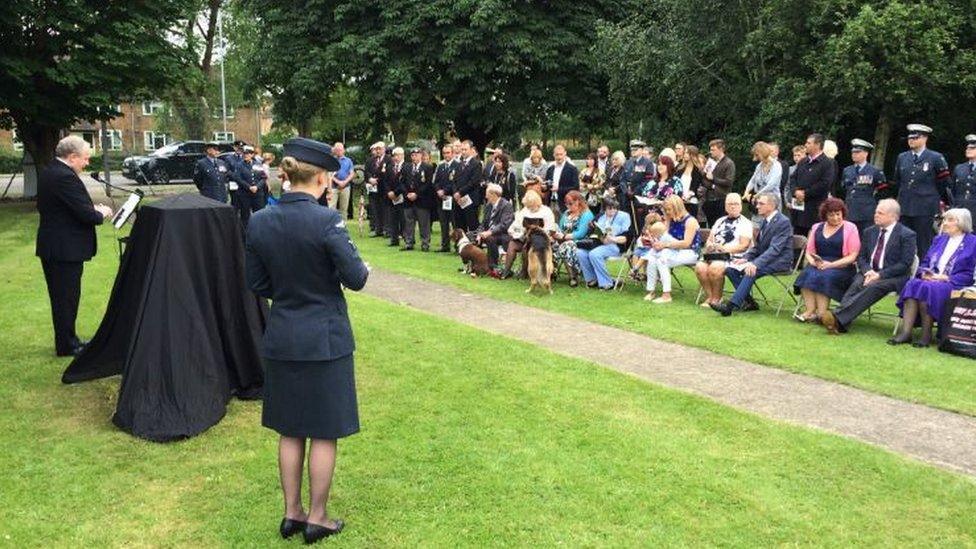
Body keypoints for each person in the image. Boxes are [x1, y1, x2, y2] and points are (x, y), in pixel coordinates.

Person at [245, 137, 368, 544]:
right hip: (325, 339)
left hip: (283, 334)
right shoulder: (326, 220)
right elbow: (357, 278)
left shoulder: (260, 219)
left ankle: (290, 512)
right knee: (324, 430)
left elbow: (257, 282)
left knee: (291, 429)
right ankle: (316, 517)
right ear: (321, 178)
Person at [36, 135, 113, 357]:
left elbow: (68, 206)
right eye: (85, 159)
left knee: (64, 298)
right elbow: (86, 215)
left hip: (56, 246)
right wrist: (101, 212)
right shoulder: (64, 177)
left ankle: (68, 340)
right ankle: (67, 345)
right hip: (63, 249)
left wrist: (90, 209)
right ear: (72, 157)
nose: (87, 163)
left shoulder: (52, 171)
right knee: (65, 298)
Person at [820, 199, 917, 334]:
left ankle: (836, 317)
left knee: (874, 286)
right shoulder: (869, 232)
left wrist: (879, 275)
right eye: (876, 212)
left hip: (894, 276)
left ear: (893, 216)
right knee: (856, 284)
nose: (875, 215)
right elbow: (862, 257)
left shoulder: (907, 235)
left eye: (880, 213)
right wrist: (868, 271)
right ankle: (840, 323)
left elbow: (905, 264)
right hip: (869, 271)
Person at [890, 208, 976, 347]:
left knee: (928, 288)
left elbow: (970, 273)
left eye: (949, 220)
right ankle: (906, 333)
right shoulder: (939, 239)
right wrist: (925, 273)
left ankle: (926, 335)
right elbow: (925, 262)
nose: (945, 223)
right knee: (913, 284)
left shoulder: (973, 243)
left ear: (961, 224)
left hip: (954, 283)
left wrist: (944, 278)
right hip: (932, 280)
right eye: (944, 220)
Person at [710, 192, 793, 316]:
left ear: (771, 206)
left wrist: (755, 263)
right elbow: (758, 247)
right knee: (730, 269)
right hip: (765, 259)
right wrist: (745, 258)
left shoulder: (782, 222)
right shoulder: (765, 221)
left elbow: (775, 249)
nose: (757, 206)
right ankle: (750, 302)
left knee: (750, 271)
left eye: (761, 203)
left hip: (780, 261)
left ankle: (730, 306)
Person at [792, 198, 860, 322]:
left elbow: (852, 256)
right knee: (806, 273)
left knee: (823, 276)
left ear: (842, 213)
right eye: (831, 215)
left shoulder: (851, 228)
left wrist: (831, 265)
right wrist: (812, 261)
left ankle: (822, 314)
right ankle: (810, 311)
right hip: (819, 263)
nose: (835, 218)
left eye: (838, 214)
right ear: (825, 216)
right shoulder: (816, 227)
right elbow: (809, 251)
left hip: (842, 266)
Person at [894, 124, 952, 257]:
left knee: (923, 243)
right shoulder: (902, 157)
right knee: (902, 242)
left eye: (915, 137)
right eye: (910, 138)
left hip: (925, 207)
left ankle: (923, 272)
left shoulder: (936, 157)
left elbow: (944, 183)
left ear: (925, 139)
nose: (911, 140)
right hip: (905, 206)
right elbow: (898, 181)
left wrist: (932, 198)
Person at [695, 193, 753, 307]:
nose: (733, 206)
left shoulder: (746, 223)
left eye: (736, 204)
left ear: (741, 206)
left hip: (735, 257)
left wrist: (724, 249)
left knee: (715, 267)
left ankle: (717, 298)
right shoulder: (719, 220)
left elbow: (744, 246)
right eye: (730, 204)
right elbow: (710, 240)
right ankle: (710, 296)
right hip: (714, 254)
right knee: (700, 267)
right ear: (725, 206)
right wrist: (710, 245)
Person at [642, 195, 701, 303]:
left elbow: (686, 243)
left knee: (662, 259)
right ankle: (651, 291)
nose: (667, 212)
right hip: (673, 249)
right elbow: (666, 235)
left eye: (669, 209)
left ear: (677, 207)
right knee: (652, 258)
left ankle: (666, 295)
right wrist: (657, 243)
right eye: (666, 210)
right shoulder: (671, 218)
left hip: (690, 252)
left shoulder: (690, 221)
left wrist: (664, 245)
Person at [576, 197, 631, 290]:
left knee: (594, 254)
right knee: (580, 253)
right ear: (604, 208)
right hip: (599, 243)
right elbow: (593, 232)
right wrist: (597, 233)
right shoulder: (600, 216)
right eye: (610, 208)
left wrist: (612, 239)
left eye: (615, 208)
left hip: (616, 245)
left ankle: (607, 283)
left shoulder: (624, 216)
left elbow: (627, 237)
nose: (613, 210)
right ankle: (592, 279)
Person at [501, 189, 558, 279]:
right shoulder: (524, 211)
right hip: (524, 237)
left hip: (540, 241)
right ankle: (506, 271)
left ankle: (525, 272)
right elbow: (514, 226)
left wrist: (538, 229)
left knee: (526, 248)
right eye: (528, 206)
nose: (530, 208)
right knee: (512, 245)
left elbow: (551, 230)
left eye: (531, 206)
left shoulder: (546, 211)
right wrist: (519, 232)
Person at [550, 190, 595, 286]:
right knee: (551, 242)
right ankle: (551, 270)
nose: (568, 206)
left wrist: (565, 237)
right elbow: (561, 227)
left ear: (578, 201)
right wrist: (557, 234)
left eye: (570, 203)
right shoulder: (566, 213)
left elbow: (581, 233)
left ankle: (571, 277)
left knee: (566, 246)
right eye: (566, 204)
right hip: (563, 240)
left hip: (580, 242)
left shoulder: (586, 214)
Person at [840, 139, 886, 232]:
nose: (854, 155)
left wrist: (874, 204)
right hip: (849, 210)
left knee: (866, 239)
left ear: (865, 154)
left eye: (857, 152)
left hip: (866, 213)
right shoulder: (847, 170)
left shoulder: (874, 171)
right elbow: (844, 189)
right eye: (853, 152)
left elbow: (883, 191)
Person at [400, 148, 435, 251]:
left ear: (421, 155)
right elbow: (401, 182)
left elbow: (428, 184)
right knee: (409, 222)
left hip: (422, 200)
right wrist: (407, 194)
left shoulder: (427, 167)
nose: (414, 157)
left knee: (424, 223)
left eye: (417, 155)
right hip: (408, 200)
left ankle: (425, 244)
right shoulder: (406, 167)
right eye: (413, 155)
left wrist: (417, 194)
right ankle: (409, 242)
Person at [475, 183, 515, 269]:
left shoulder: (506, 205)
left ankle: (493, 265)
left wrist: (490, 232)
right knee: (473, 237)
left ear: (493, 194)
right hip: (489, 233)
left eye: (487, 194)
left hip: (503, 234)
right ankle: (477, 266)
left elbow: (504, 225)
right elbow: (483, 223)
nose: (486, 197)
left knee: (490, 238)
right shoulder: (488, 206)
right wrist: (479, 233)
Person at [742, 141, 783, 221]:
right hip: (759, 201)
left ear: (763, 153)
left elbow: (771, 184)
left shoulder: (777, 166)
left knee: (771, 226)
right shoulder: (759, 166)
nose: (756, 157)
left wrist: (757, 195)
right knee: (756, 225)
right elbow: (753, 180)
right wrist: (746, 192)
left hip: (772, 201)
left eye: (757, 155)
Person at [701, 139, 735, 227]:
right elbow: (704, 178)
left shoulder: (729, 163)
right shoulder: (711, 162)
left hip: (721, 198)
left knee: (721, 225)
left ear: (721, 149)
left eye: (713, 150)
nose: (710, 152)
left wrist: (714, 179)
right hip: (709, 198)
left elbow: (729, 182)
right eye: (710, 149)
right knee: (711, 226)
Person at [453, 140, 484, 231]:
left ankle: (473, 243)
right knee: (460, 224)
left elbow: (473, 182)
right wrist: (455, 192)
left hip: (470, 199)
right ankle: (462, 244)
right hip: (459, 199)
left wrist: (460, 192)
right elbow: (454, 181)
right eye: (462, 149)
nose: (463, 152)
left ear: (471, 150)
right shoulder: (459, 164)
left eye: (465, 149)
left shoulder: (476, 164)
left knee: (472, 224)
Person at [433, 144, 458, 252]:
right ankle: (445, 245)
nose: (446, 155)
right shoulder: (441, 166)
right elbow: (436, 181)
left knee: (455, 223)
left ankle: (457, 246)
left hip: (452, 198)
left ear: (452, 153)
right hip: (441, 199)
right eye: (444, 153)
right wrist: (438, 190)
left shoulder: (457, 165)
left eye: (448, 153)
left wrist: (445, 191)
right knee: (443, 223)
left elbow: (455, 182)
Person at [544, 144, 579, 214]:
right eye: (557, 155)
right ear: (553, 155)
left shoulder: (572, 169)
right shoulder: (550, 169)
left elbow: (576, 187)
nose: (559, 157)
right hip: (551, 202)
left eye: (561, 154)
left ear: (565, 154)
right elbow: (547, 184)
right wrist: (544, 187)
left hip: (566, 203)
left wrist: (559, 189)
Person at [949, 134, 976, 222]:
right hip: (960, 211)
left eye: (972, 148)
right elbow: (952, 190)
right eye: (967, 148)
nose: (968, 150)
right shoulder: (959, 168)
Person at [326, 142, 354, 216]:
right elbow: (329, 174)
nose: (338, 152)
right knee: (331, 208)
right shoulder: (331, 160)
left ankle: (343, 225)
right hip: (333, 187)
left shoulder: (348, 161)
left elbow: (351, 174)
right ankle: (332, 226)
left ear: (344, 150)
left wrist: (344, 182)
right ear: (334, 151)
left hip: (346, 187)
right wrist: (338, 182)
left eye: (340, 150)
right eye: (337, 150)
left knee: (344, 209)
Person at [385, 147, 407, 247]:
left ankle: (406, 238)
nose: (396, 157)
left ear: (402, 155)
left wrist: (396, 193)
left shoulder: (407, 167)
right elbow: (385, 181)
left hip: (402, 196)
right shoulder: (390, 167)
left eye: (398, 155)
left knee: (403, 218)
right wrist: (389, 192)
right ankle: (394, 239)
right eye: (394, 155)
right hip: (391, 197)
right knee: (392, 218)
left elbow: (404, 182)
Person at [679, 145, 705, 218]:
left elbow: (695, 186)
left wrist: (688, 195)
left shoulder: (698, 170)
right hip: (679, 201)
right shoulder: (680, 169)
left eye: (687, 153)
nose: (685, 155)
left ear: (692, 155)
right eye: (684, 153)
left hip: (691, 201)